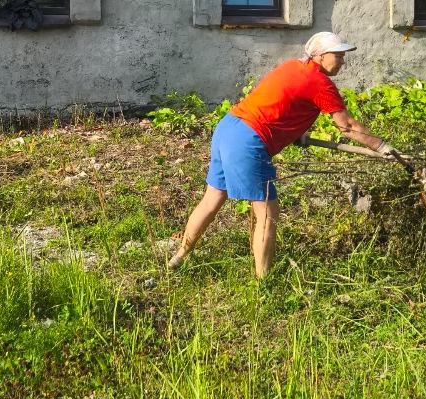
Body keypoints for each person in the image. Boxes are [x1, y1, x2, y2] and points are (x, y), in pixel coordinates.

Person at [167, 32, 394, 276]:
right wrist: (382, 146)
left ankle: (178, 258)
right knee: (267, 212)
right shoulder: (320, 82)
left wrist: (298, 132)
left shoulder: (292, 67)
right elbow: (347, 126)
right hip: (248, 141)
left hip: (229, 127)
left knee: (211, 200)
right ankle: (262, 283)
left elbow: (280, 101)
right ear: (319, 56)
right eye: (338, 55)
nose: (342, 61)